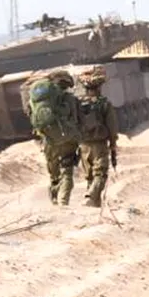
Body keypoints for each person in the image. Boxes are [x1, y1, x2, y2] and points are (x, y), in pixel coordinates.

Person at [27, 69, 83, 206]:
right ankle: (63, 201)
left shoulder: (36, 99)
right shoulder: (69, 99)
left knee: (54, 173)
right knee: (67, 171)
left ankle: (54, 195)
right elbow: (78, 119)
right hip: (68, 139)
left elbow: (30, 115)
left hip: (48, 140)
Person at [75, 68, 119, 208]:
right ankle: (90, 197)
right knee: (100, 174)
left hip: (83, 144)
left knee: (90, 176)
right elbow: (112, 126)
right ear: (99, 88)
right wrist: (113, 143)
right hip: (99, 144)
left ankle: (95, 203)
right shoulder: (104, 103)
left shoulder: (78, 104)